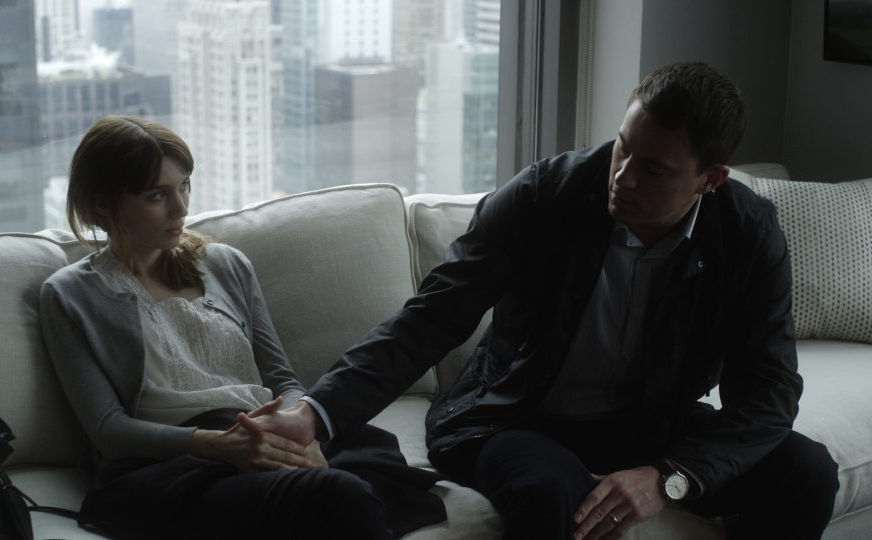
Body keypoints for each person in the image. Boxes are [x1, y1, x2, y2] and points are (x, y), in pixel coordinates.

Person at [241, 63, 840, 539]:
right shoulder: (545, 195)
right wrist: (315, 412)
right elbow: (431, 317)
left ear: (711, 179)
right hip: (516, 418)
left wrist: (670, 478)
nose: (623, 177)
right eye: (622, 148)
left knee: (807, 472)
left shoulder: (747, 233)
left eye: (654, 169)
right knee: (550, 492)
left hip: (651, 427)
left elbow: (769, 392)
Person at [39, 116, 443, 539]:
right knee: (343, 495)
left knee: (358, 479)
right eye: (158, 195)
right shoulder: (70, 295)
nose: (181, 208)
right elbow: (108, 429)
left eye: (184, 186)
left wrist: (299, 436)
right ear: (104, 204)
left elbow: (283, 379)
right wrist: (217, 446)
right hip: (176, 465)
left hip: (266, 433)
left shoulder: (226, 265)